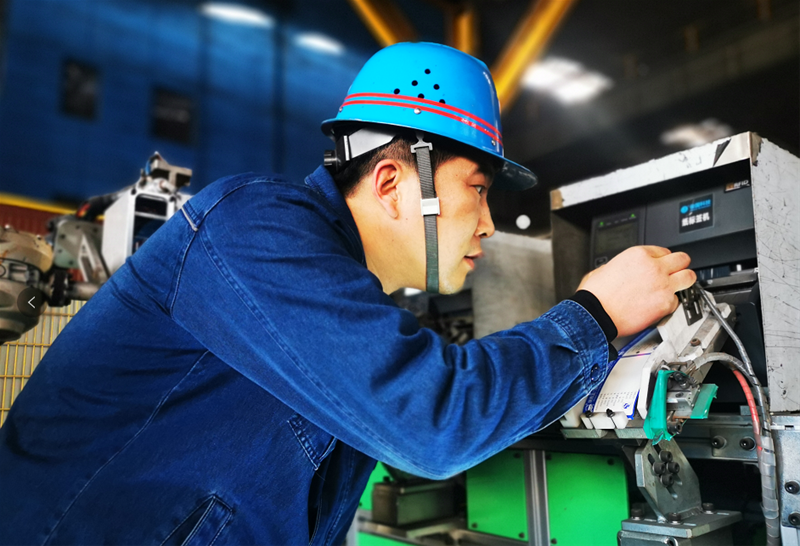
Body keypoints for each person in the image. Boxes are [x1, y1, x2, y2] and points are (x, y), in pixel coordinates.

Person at [0, 42, 695, 545]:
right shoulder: (253, 227)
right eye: (478, 190)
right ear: (392, 183)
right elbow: (432, 422)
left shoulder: (348, 295)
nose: (488, 222)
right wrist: (596, 317)